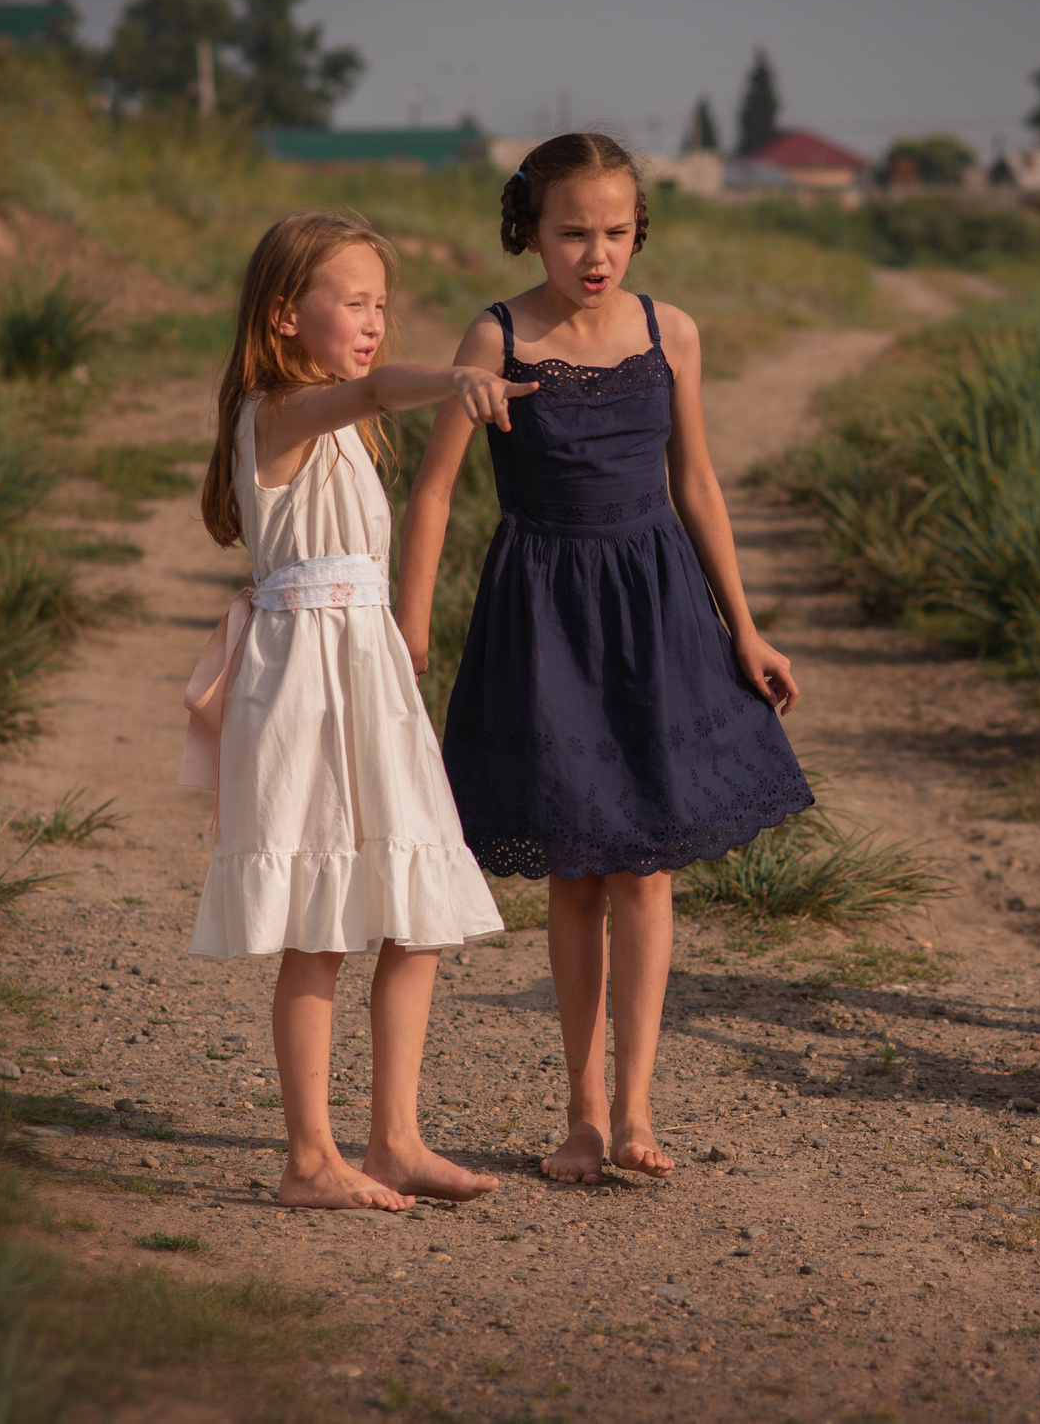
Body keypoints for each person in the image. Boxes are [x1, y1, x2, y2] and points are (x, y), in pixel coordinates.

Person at [398, 132, 813, 1186]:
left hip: (654, 610)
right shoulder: (494, 336)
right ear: (528, 230)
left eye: (616, 232)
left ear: (640, 231)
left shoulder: (670, 332)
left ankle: (636, 1110)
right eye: (572, 232)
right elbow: (435, 490)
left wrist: (745, 625)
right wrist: (411, 626)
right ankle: (581, 1115)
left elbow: (698, 484)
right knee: (576, 870)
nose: (596, 254)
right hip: (542, 613)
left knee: (646, 867)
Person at [183, 209, 527, 1210]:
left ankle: (395, 1138)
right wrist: (458, 380)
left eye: (383, 303)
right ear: (285, 315)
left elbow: (368, 405)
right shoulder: (279, 410)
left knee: (417, 914)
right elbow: (374, 388)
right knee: (321, 924)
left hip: (368, 680)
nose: (375, 321)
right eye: (354, 302)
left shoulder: (342, 422)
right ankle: (308, 1157)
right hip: (304, 688)